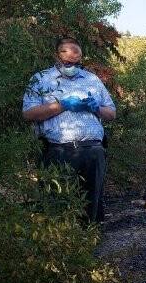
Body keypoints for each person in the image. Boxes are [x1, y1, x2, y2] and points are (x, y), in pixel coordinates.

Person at [22, 36, 116, 223]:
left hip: (93, 150)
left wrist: (96, 108)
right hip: (58, 151)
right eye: (65, 52)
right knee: (56, 201)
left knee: (91, 204)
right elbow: (28, 113)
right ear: (56, 54)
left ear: (80, 57)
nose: (71, 57)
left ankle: (90, 243)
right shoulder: (40, 79)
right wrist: (62, 105)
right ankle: (60, 246)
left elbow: (112, 113)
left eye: (76, 53)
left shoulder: (93, 80)